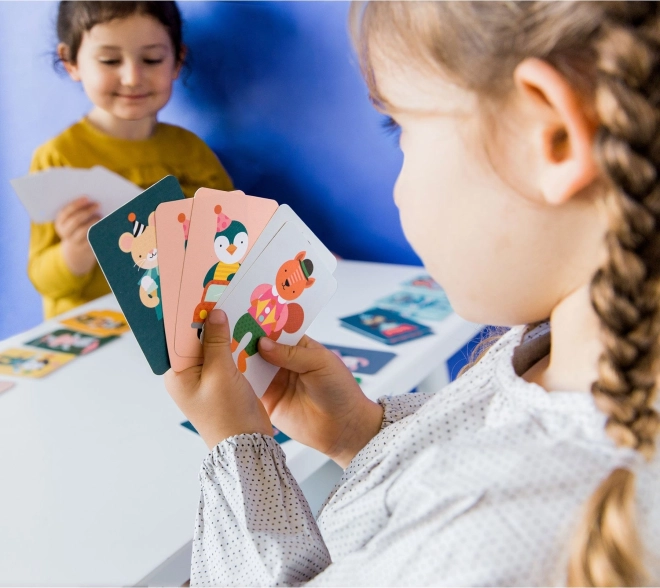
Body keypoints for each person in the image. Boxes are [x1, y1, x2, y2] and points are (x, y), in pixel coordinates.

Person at [164, 2, 660, 585]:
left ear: (550, 137)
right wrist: (360, 433)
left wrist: (237, 448)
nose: (398, 188)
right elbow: (477, 439)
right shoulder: (563, 348)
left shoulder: (481, 546)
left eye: (399, 127)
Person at [28, 1, 233, 319]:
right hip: (90, 330)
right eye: (110, 60)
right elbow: (42, 278)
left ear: (177, 60)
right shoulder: (58, 159)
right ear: (70, 62)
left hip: (173, 324)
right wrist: (74, 253)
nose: (132, 77)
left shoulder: (192, 153)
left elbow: (234, 240)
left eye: (152, 59)